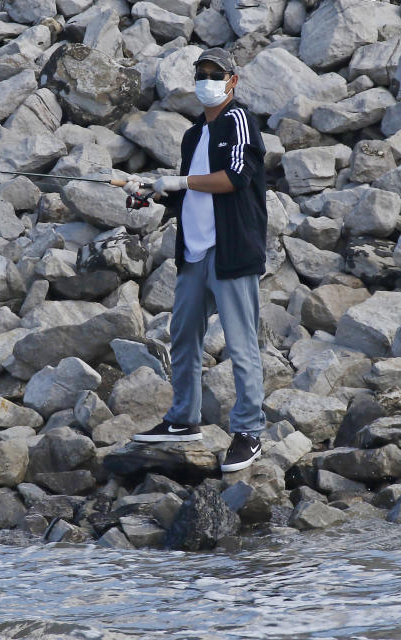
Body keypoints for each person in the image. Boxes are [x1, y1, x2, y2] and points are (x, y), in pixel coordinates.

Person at [123, 48, 269, 473]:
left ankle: (249, 431)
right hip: (193, 252)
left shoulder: (238, 121)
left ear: (232, 81)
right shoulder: (192, 135)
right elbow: (193, 193)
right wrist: (154, 192)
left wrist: (178, 180)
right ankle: (183, 419)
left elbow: (235, 178)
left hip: (231, 254)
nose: (207, 79)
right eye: (201, 73)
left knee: (242, 346)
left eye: (215, 73)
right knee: (183, 336)